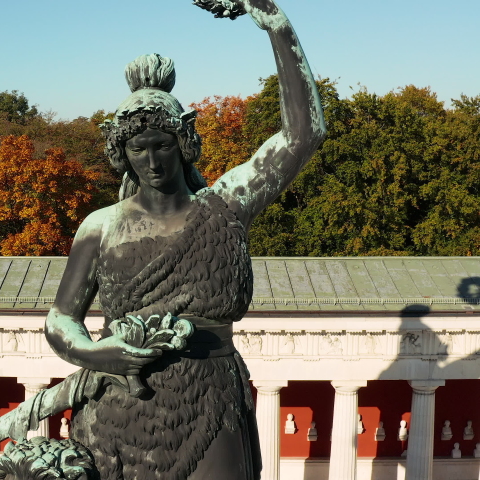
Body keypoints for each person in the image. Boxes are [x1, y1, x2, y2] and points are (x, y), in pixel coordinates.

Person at [43, 0, 326, 478]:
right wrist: (95, 353)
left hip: (210, 397)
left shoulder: (226, 205)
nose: (152, 161)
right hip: (118, 404)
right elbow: (61, 318)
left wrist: (277, 26)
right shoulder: (101, 226)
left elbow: (304, 132)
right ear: (122, 152)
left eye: (162, 145)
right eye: (138, 148)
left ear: (184, 142)